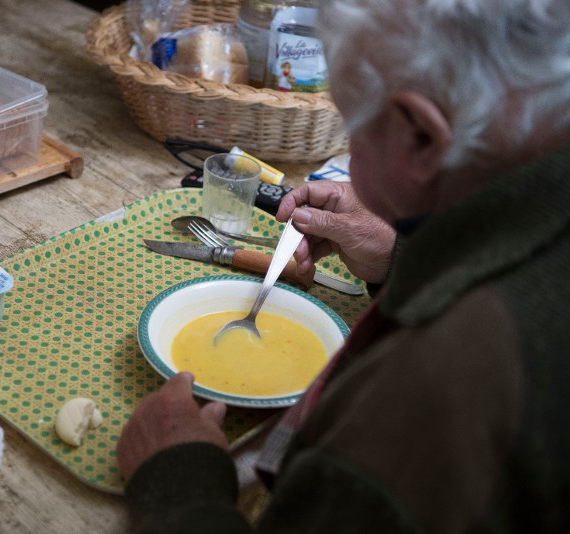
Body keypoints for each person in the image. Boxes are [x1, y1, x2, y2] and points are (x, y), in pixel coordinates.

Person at [116, 0, 570, 531]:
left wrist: (178, 485)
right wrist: (401, 250)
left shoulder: (421, 396)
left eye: (352, 122)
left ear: (420, 138)